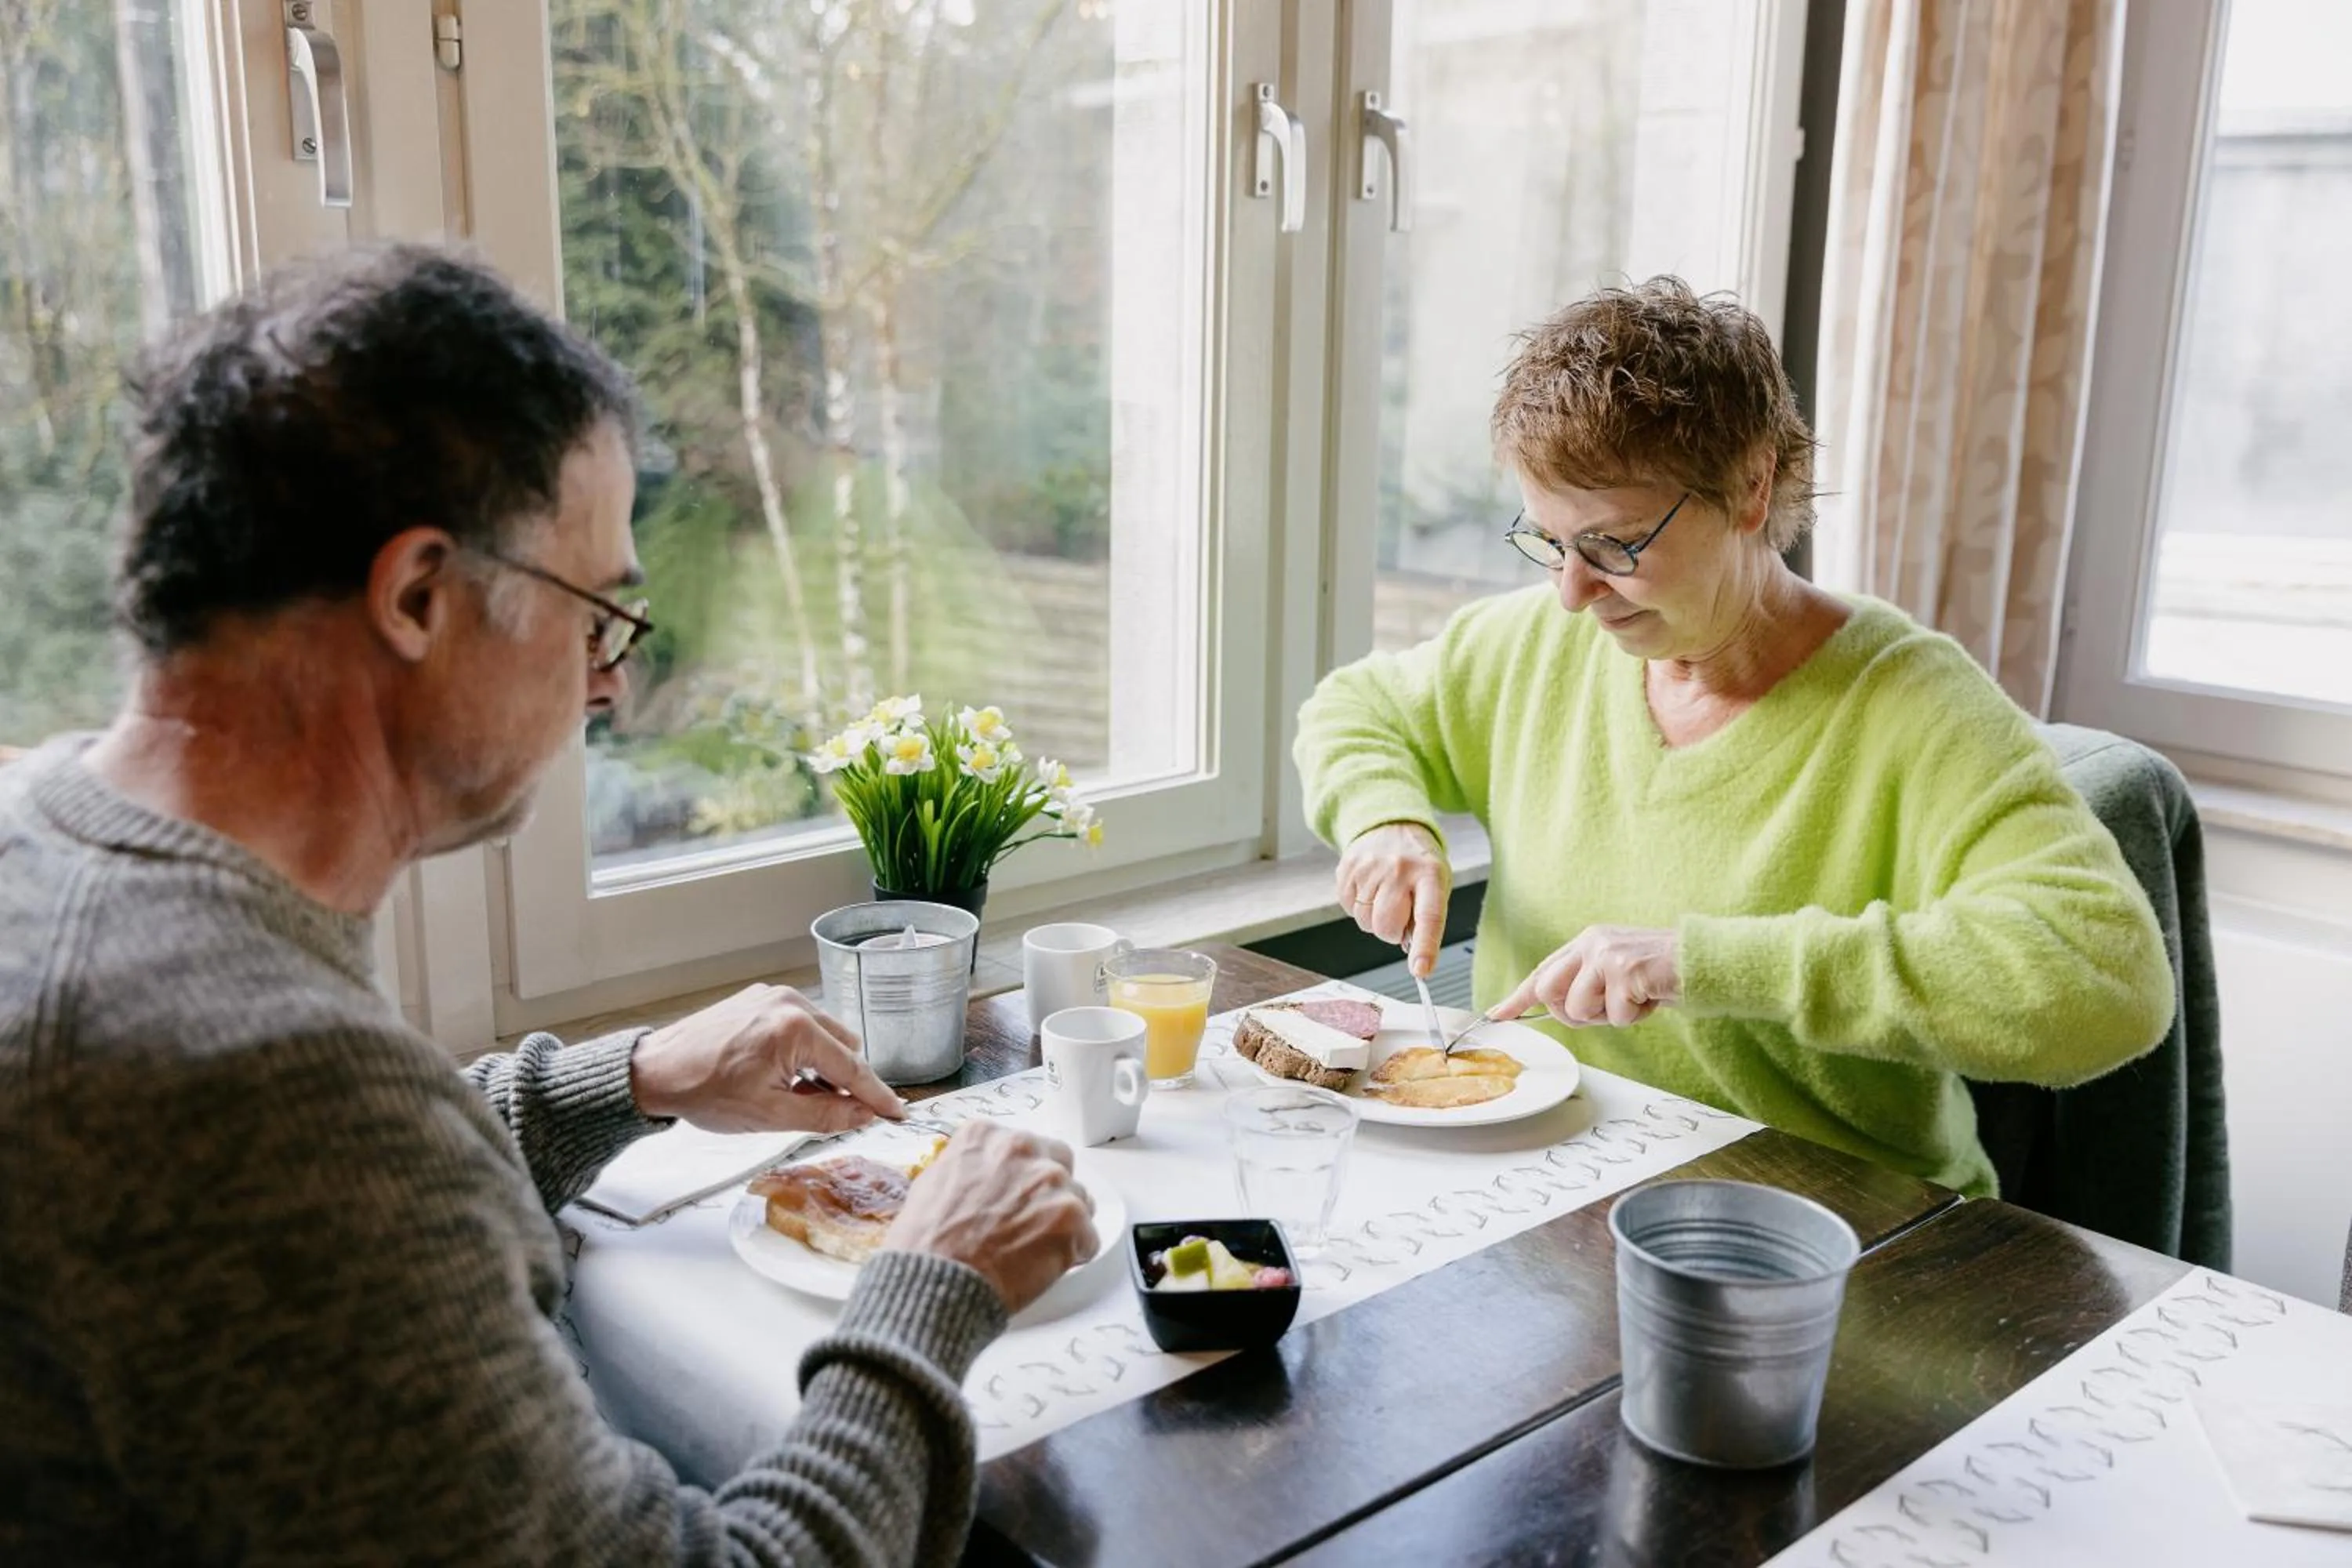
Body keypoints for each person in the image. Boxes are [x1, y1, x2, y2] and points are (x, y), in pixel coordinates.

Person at [0, 245, 1097, 1566]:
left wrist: (626, 1079)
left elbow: (326, 1219)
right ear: (417, 595)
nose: (611, 689)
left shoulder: (54, 836)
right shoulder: (263, 1084)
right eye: (598, 618)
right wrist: (938, 1289)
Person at [1298, 277, 2173, 1197]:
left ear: (1753, 489)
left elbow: (2106, 983)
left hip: (1832, 1222)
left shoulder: (1913, 703)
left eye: (1616, 544)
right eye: (1549, 541)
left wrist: (1701, 961)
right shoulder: (1535, 641)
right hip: (1551, 1182)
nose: (1572, 592)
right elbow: (1357, 706)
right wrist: (1385, 819)